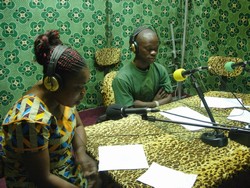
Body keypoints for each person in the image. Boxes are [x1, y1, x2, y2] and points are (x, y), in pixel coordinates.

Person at [0, 30, 101, 187]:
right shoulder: (30, 120)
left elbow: (78, 125)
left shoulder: (61, 96)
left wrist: (81, 153)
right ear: (53, 83)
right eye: (78, 87)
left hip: (63, 171)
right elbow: (42, 178)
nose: (83, 92)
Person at [112, 25, 173, 108]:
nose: (154, 53)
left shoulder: (160, 70)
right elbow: (128, 113)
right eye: (149, 49)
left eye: (156, 48)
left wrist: (151, 104)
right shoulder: (122, 79)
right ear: (134, 48)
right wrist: (156, 102)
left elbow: (168, 98)